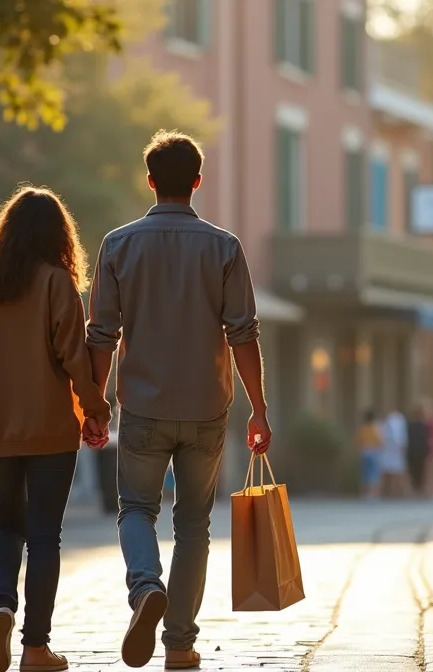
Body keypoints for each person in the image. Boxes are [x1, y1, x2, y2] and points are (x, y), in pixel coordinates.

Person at [86, 130, 270, 670]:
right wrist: (258, 407)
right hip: (207, 410)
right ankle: (181, 645)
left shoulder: (118, 245)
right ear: (197, 181)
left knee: (136, 509)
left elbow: (101, 334)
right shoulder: (225, 247)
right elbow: (243, 332)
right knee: (193, 524)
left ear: (149, 181)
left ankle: (146, 587)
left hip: (141, 405)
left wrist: (95, 404)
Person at [0, 186, 112, 672]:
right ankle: (35, 648)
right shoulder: (58, 284)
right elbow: (75, 357)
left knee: (5, 525)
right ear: (59, 236)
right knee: (45, 535)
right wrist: (96, 410)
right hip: (50, 429)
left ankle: (2, 606)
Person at [380, 407, 411, 498]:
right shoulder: (393, 421)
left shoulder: (396, 421)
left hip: (394, 451)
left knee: (398, 473)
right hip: (392, 450)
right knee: (394, 472)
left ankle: (399, 492)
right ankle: (392, 492)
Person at [356, 410, 384, 500]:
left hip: (364, 452)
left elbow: (358, 442)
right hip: (373, 452)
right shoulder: (375, 428)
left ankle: (364, 493)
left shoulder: (362, 429)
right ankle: (373, 494)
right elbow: (380, 441)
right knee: (373, 474)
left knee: (365, 474)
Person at [405, 405, 431, 495]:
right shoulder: (409, 424)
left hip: (419, 450)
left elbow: (426, 438)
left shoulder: (423, 425)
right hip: (414, 450)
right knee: (414, 470)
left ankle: (419, 488)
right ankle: (415, 488)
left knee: (420, 470)